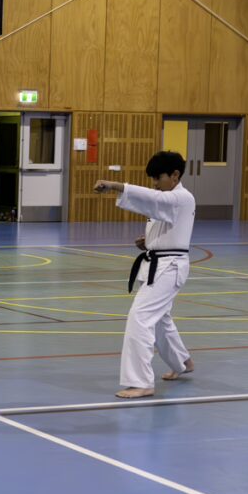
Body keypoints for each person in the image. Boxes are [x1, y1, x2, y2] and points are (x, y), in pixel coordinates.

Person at [94, 151, 196, 398]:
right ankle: (182, 363)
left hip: (169, 267)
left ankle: (141, 382)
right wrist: (149, 241)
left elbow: (151, 199)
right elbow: (166, 222)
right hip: (159, 263)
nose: (154, 183)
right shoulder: (169, 198)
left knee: (140, 318)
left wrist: (115, 185)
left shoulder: (182, 197)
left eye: (157, 178)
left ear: (175, 175)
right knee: (161, 319)